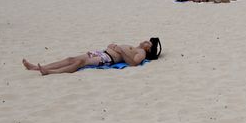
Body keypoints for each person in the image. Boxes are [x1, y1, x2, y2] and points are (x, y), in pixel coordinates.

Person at [22, 39, 160, 75]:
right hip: (102, 52)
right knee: (71, 59)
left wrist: (120, 51)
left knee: (81, 62)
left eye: (148, 43)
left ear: (148, 49)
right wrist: (112, 46)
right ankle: (36, 67)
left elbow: (134, 63)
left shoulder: (141, 53)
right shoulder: (135, 47)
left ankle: (49, 72)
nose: (145, 41)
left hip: (107, 59)